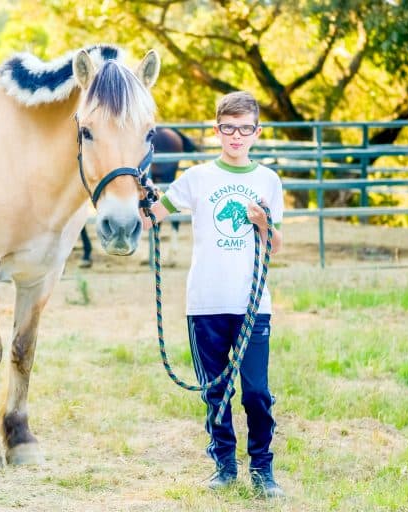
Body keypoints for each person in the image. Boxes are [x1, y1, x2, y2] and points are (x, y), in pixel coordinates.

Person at [143, 91, 285, 498]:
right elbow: (154, 214)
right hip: (205, 303)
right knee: (216, 392)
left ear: (256, 131)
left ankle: (262, 467)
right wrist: (140, 196)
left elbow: (276, 245)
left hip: (252, 305)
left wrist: (262, 224)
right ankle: (224, 464)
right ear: (216, 130)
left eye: (244, 129)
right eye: (228, 128)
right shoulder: (198, 178)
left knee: (256, 391)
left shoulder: (267, 181)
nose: (236, 136)